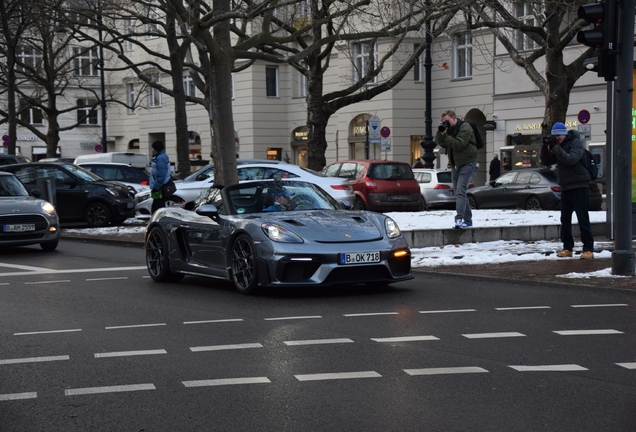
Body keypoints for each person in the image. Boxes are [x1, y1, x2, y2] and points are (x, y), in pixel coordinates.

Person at [541, 122, 594, 259]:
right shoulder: (559, 145)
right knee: (565, 219)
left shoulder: (576, 143)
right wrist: (545, 147)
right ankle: (567, 248)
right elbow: (546, 161)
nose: (556, 138)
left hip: (579, 185)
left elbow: (571, 159)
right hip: (566, 186)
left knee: (583, 218)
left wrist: (556, 148)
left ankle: (588, 249)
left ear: (564, 134)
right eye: (554, 136)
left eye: (558, 135)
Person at [434, 110, 478, 229]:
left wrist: (446, 135)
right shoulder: (449, 130)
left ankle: (459, 219)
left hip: (468, 163)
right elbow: (439, 142)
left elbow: (459, 144)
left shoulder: (465, 127)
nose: (446, 123)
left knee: (460, 191)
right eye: (444, 122)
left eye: (447, 121)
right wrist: (440, 131)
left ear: (454, 118)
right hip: (455, 164)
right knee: (460, 193)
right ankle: (468, 220)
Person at [149, 140, 171, 213]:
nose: (151, 150)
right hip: (160, 186)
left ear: (156, 149)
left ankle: (157, 223)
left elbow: (161, 174)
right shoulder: (159, 157)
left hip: (160, 187)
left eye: (152, 148)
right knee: (157, 208)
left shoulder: (160, 158)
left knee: (157, 209)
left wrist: (156, 187)